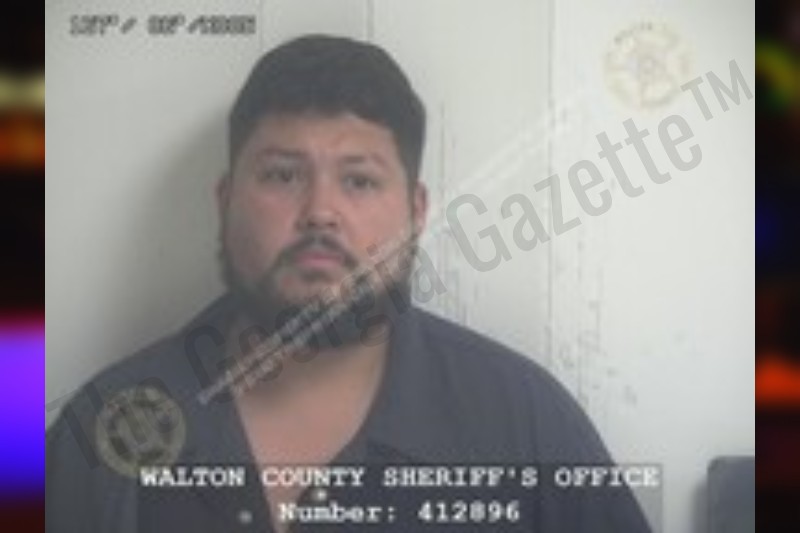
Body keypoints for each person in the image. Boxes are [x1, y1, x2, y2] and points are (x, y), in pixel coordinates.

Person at [46, 35, 652, 532]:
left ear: (416, 212)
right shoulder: (100, 433)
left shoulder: (525, 423)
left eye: (359, 181)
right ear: (225, 202)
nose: (320, 212)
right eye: (282, 175)